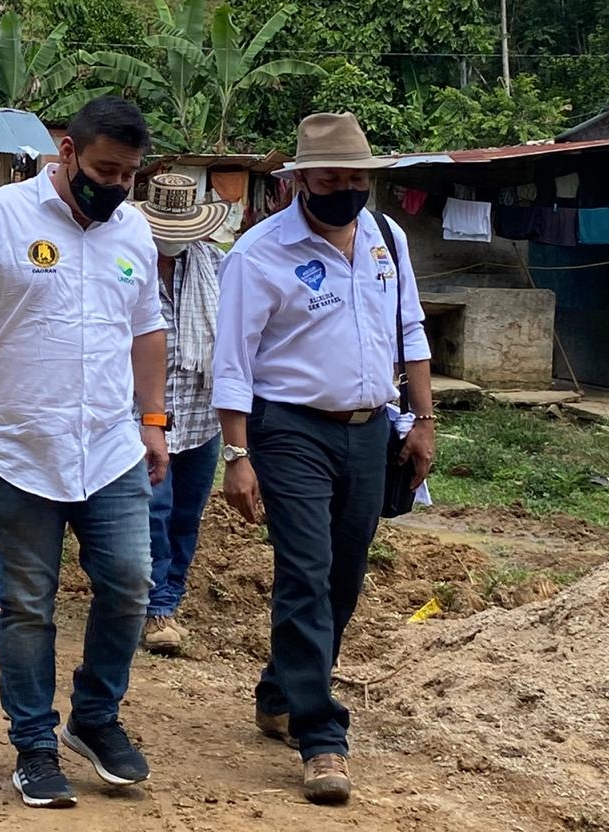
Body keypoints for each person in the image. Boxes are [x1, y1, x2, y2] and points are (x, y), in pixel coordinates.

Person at [0, 97, 168, 809]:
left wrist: (153, 421)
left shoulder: (135, 229)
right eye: (103, 169)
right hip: (20, 444)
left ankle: (94, 718)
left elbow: (147, 327)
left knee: (129, 585)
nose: (116, 185)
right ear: (67, 151)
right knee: (27, 604)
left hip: (110, 445)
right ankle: (33, 745)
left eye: (128, 173)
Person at [212, 112, 436, 805]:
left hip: (371, 430)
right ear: (301, 178)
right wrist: (237, 454)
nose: (346, 186)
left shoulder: (387, 240)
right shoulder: (259, 253)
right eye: (331, 174)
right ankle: (321, 735)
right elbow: (234, 362)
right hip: (291, 431)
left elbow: (411, 330)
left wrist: (423, 419)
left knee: (343, 575)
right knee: (305, 574)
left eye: (356, 176)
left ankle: (281, 691)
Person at [127, 173, 228, 657]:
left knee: (186, 515)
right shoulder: (127, 266)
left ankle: (169, 595)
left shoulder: (215, 267)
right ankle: (154, 608)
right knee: (153, 511)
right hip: (140, 414)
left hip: (200, 415)